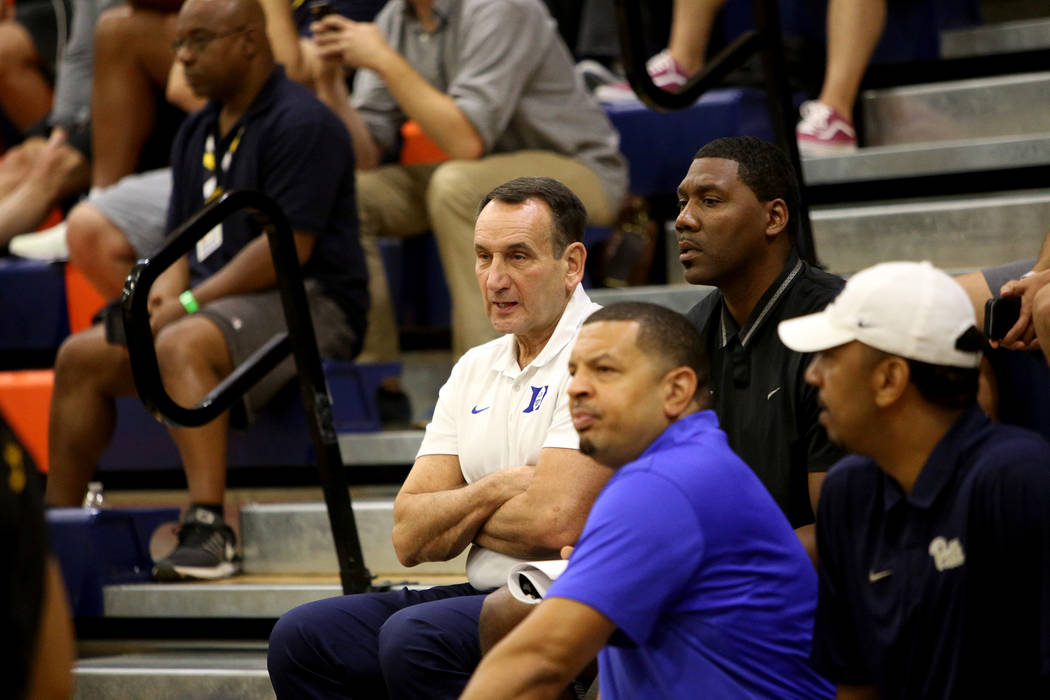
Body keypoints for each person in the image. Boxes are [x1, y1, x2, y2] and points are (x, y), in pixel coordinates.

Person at [43, 0, 368, 583]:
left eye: (198, 41)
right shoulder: (198, 129)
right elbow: (180, 241)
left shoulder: (303, 122)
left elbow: (286, 249)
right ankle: (51, 532)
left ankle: (209, 526)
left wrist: (188, 305)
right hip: (221, 301)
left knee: (180, 344)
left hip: (313, 301)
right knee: (81, 356)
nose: (183, 57)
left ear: (248, 40)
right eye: (179, 44)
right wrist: (165, 298)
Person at [267, 177, 612, 699]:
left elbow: (554, 519)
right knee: (304, 638)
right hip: (482, 589)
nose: (495, 279)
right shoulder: (475, 366)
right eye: (482, 257)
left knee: (415, 639)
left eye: (518, 257)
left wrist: (459, 516)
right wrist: (500, 488)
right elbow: (409, 534)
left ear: (572, 265)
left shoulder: (606, 347)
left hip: (568, 595)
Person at [463, 302, 834, 700]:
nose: (576, 387)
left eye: (605, 370)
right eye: (574, 371)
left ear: (676, 391)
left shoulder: (665, 482)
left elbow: (537, 660)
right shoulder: (692, 461)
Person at [778, 260, 1050, 697]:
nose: (812, 375)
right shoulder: (847, 492)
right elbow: (854, 683)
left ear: (889, 380)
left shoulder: (1016, 478)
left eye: (829, 356)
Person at [310, 0, 628, 367]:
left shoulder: (503, 7)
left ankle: (491, 376)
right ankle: (377, 378)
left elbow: (465, 140)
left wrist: (383, 59)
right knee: (353, 194)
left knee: (457, 187)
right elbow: (362, 157)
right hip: (478, 170)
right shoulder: (394, 20)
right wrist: (330, 82)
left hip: (578, 167)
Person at [678, 135, 844, 557]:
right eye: (683, 202)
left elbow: (841, 533)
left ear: (774, 218)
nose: (684, 219)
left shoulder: (838, 325)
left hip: (808, 599)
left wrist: (711, 567)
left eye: (710, 201)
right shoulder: (688, 335)